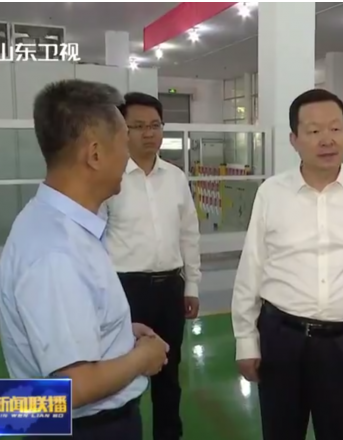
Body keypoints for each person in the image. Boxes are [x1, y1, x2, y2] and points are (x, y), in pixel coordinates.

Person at [0, 79, 169, 440]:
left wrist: (119, 335)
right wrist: (142, 358)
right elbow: (72, 388)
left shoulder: (57, 223)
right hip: (88, 428)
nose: (128, 157)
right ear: (94, 154)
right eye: (123, 143)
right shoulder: (54, 252)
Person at [231, 88, 343, 440]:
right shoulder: (272, 193)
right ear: (294, 139)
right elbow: (252, 268)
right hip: (281, 339)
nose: (327, 139)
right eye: (313, 131)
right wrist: (245, 340)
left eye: (335, 128)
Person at [102, 92, 201, 440]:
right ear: (122, 130)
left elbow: (189, 233)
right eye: (139, 126)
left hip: (170, 288)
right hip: (125, 290)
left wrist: (191, 285)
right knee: (119, 373)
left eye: (155, 125)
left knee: (168, 372)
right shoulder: (110, 178)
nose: (149, 133)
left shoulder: (175, 177)